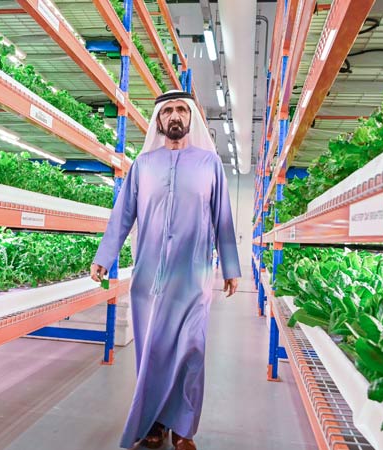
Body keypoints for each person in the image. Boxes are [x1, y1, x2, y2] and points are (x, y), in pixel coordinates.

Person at [90, 90, 242, 450]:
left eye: (181, 110)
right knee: (153, 353)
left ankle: (184, 428)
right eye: (168, 111)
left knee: (192, 349)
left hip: (194, 277)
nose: (175, 116)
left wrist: (231, 268)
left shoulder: (210, 164)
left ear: (190, 118)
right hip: (149, 280)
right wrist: (104, 257)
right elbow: (123, 215)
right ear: (159, 120)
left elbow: (223, 218)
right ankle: (155, 424)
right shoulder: (143, 166)